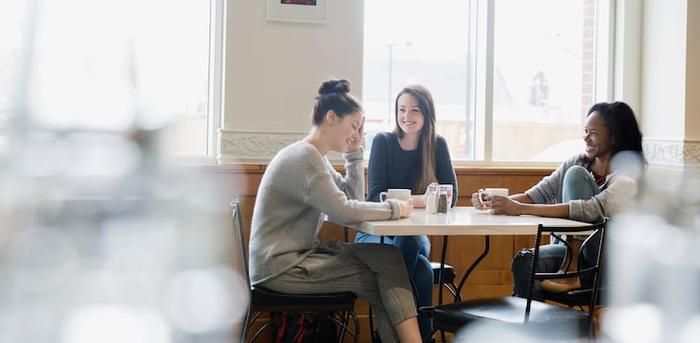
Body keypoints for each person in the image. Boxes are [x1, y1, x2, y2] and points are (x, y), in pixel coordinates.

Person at [248, 79, 422, 342]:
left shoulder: (315, 157)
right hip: (281, 268)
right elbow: (344, 211)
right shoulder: (304, 158)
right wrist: (395, 208)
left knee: (388, 257)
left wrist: (353, 154)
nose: (356, 133)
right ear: (331, 117)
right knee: (384, 282)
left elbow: (352, 198)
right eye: (353, 126)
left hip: (295, 257)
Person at [471, 101, 643, 299]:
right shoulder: (577, 161)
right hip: (567, 253)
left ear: (614, 136)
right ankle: (539, 327)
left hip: (608, 261)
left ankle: (572, 269)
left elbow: (590, 209)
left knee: (576, 175)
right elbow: (534, 196)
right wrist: (494, 202)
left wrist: (519, 208)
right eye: (585, 131)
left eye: (593, 133)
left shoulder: (630, 174)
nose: (586, 138)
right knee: (524, 262)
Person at [356, 85, 457, 341]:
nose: (406, 116)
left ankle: (388, 334)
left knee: (410, 242)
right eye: (402, 109)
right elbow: (376, 195)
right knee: (421, 270)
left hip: (412, 234)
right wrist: (425, 199)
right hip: (374, 234)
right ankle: (423, 338)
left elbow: (451, 196)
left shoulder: (437, 145)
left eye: (414, 110)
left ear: (426, 114)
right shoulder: (383, 142)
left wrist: (408, 200)